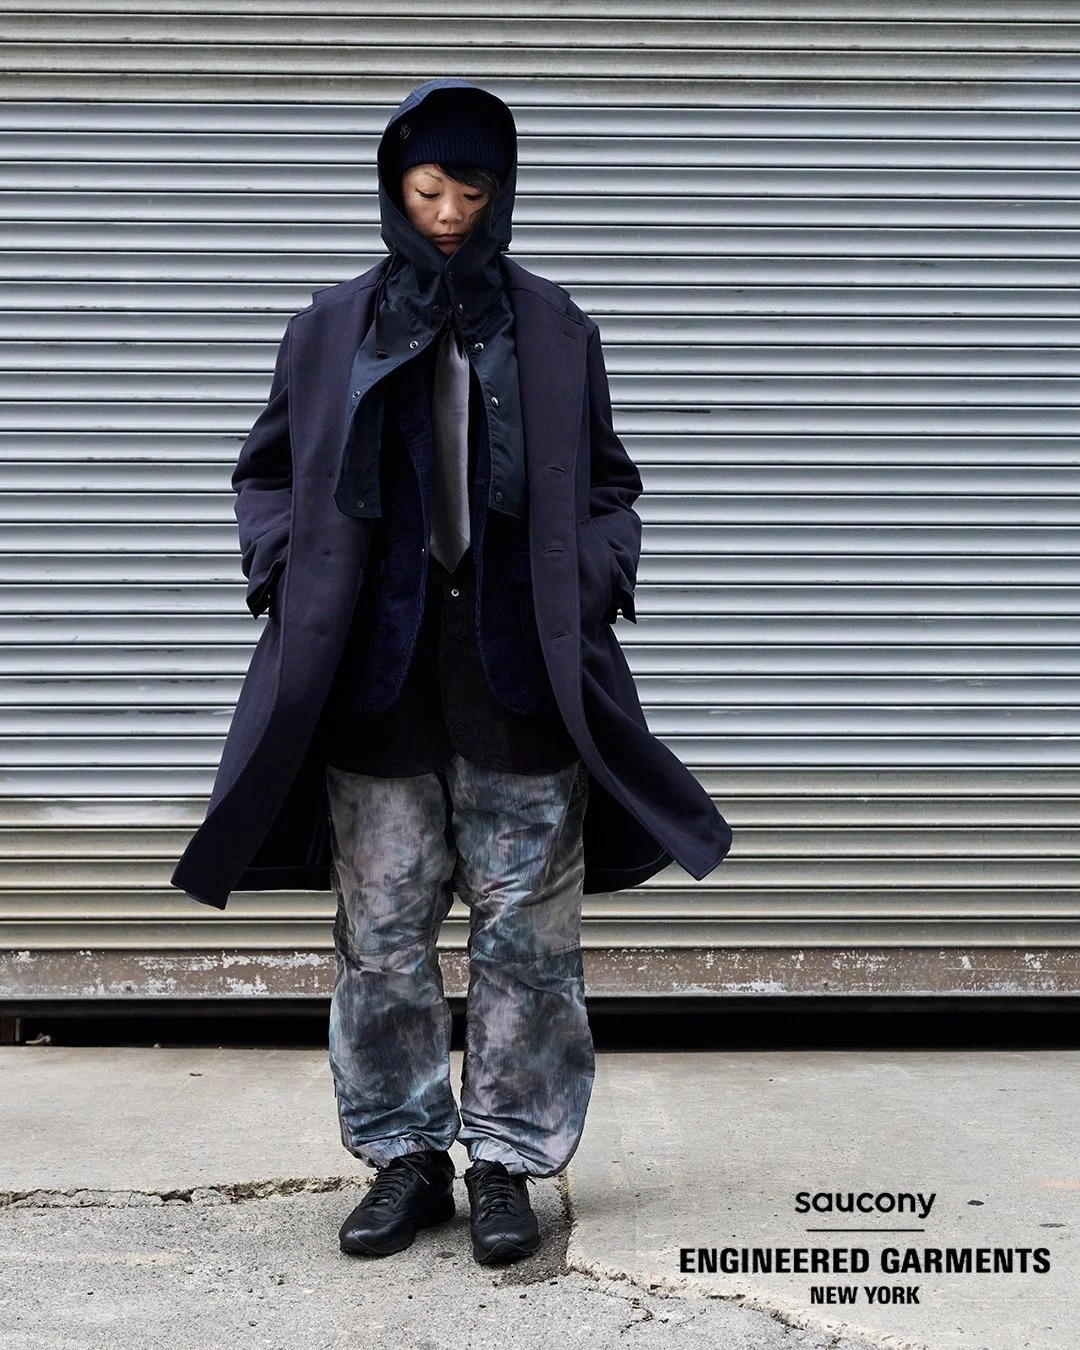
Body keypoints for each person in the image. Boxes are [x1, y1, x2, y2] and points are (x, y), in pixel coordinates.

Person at [170, 79, 731, 1267]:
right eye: (428, 190)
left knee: (528, 941)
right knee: (380, 935)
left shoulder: (556, 329)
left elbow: (610, 486)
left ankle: (509, 1164)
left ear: (503, 195)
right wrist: (284, 571)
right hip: (373, 685)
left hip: (521, 683)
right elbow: (264, 472)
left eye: (472, 194)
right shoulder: (330, 328)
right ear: (393, 187)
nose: (447, 216)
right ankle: (405, 1158)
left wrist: (590, 579)